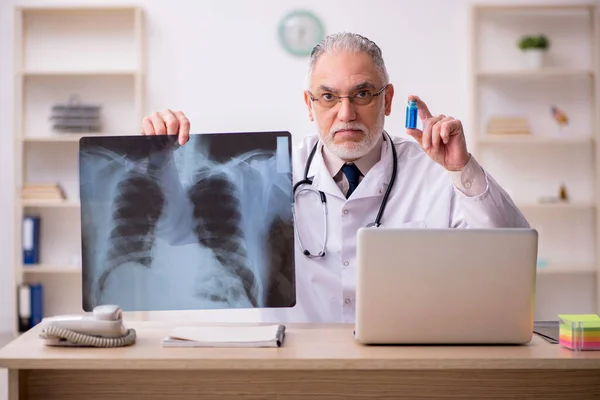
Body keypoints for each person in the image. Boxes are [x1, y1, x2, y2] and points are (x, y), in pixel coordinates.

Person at [140, 32, 530, 323]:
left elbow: (511, 252)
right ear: (309, 106)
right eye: (328, 97)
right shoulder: (272, 169)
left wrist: (463, 170)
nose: (345, 113)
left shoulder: (435, 171)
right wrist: (159, 163)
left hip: (403, 369)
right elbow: (177, 232)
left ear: (387, 100)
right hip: (294, 373)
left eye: (362, 94)